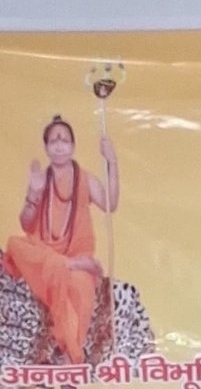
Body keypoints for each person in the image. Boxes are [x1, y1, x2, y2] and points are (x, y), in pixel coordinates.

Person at [6, 115, 118, 366]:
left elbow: (110, 204)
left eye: (64, 140)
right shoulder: (41, 179)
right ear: (47, 148)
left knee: (80, 288)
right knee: (15, 243)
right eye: (53, 141)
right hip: (46, 256)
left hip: (76, 256)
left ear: (72, 146)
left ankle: (70, 353)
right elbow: (26, 224)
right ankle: (68, 265)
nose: (59, 145)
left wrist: (112, 162)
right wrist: (33, 194)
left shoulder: (85, 179)